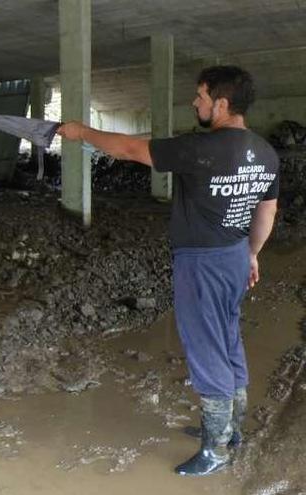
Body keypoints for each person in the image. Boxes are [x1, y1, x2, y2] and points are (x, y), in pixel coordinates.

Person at [57, 65, 280, 476]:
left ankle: (216, 451)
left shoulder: (201, 148)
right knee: (227, 338)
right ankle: (230, 429)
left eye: (200, 97)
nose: (195, 103)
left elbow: (127, 149)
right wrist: (252, 254)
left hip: (202, 262)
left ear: (222, 103)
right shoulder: (264, 152)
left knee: (206, 347)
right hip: (234, 256)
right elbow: (268, 208)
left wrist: (81, 132)